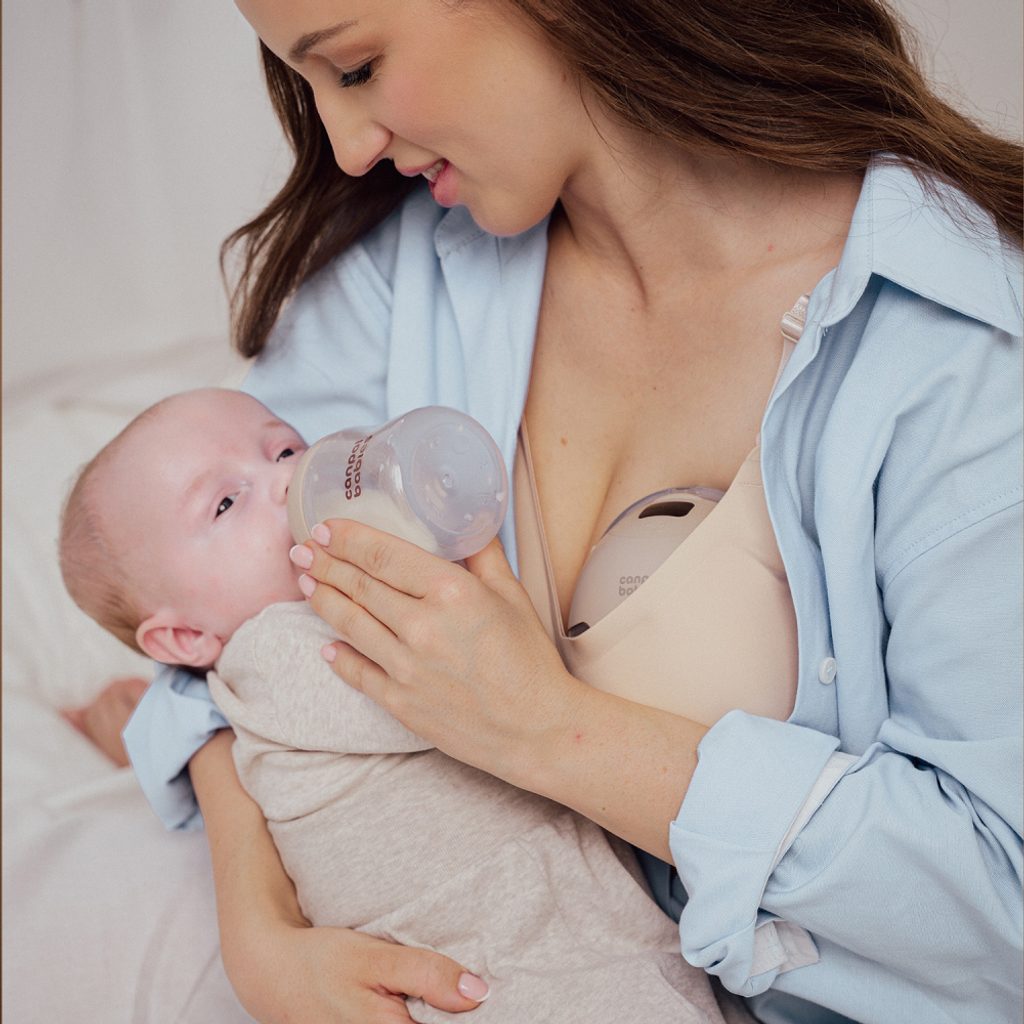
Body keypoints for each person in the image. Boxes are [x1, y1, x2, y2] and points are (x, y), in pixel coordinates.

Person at [107, 1, 1021, 1022]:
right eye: (304, 84)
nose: (348, 147)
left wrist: (550, 729)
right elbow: (210, 613)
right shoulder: (401, 277)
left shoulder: (961, 349)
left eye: (356, 68)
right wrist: (258, 928)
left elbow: (1002, 906)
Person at [59, 385, 745, 1024]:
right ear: (185, 639)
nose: (286, 481)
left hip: (565, 931)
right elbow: (455, 698)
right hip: (484, 960)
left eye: (286, 449)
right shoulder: (273, 648)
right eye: (225, 505)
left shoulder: (325, 611)